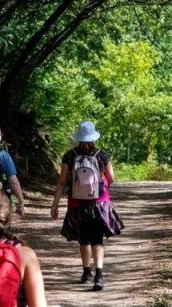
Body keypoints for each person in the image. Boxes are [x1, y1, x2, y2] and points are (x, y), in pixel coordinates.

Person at [50, 120, 122, 291]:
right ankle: (99, 275)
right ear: (93, 137)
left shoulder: (69, 155)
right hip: (99, 202)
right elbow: (111, 177)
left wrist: (55, 204)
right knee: (97, 239)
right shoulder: (102, 155)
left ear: (78, 138)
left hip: (76, 203)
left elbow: (61, 182)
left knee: (84, 239)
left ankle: (86, 272)